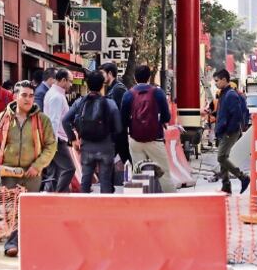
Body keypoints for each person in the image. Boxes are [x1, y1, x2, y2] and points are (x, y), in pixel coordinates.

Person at [0, 80, 58, 257]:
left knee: (27, 209)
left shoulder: (42, 121)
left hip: (32, 174)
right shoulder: (3, 119)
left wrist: (37, 165)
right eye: (24, 95)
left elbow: (51, 146)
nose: (28, 99)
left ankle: (23, 243)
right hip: (8, 173)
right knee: (11, 210)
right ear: (15, 97)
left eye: (31, 96)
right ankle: (12, 244)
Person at [64, 71, 122, 194]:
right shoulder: (110, 103)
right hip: (106, 147)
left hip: (86, 146)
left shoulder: (79, 102)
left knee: (85, 179)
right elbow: (119, 128)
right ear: (102, 85)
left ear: (87, 85)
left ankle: (84, 208)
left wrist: (73, 139)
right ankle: (106, 209)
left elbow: (65, 120)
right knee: (105, 180)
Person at [121, 65, 175, 193]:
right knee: (164, 173)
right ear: (149, 77)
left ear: (135, 78)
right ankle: (170, 200)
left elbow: (123, 119)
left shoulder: (128, 94)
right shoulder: (158, 92)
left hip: (135, 139)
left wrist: (133, 125)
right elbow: (166, 116)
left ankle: (141, 201)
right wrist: (159, 122)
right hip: (155, 138)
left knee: (139, 173)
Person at [213, 69, 250, 194]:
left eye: (217, 81)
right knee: (224, 158)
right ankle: (226, 185)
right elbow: (224, 113)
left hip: (230, 132)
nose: (215, 84)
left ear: (224, 79)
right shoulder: (224, 93)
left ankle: (243, 177)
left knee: (221, 157)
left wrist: (229, 131)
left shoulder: (231, 95)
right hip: (224, 130)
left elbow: (237, 115)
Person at [42, 69, 76, 193]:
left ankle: (52, 197)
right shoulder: (56, 96)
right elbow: (54, 121)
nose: (71, 85)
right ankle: (60, 194)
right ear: (63, 80)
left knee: (55, 172)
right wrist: (53, 143)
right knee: (69, 169)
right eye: (70, 81)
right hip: (57, 140)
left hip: (54, 139)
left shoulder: (54, 93)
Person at [101, 62, 132, 168]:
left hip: (118, 133)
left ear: (109, 73)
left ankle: (138, 179)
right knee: (124, 159)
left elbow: (120, 112)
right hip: (116, 133)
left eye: (102, 73)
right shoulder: (112, 89)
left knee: (125, 159)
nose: (101, 77)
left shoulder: (118, 89)